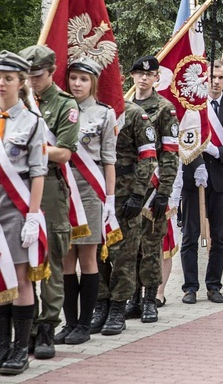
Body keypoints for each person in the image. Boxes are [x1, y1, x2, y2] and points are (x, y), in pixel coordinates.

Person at [18, 45, 79, 360]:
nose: (31, 82)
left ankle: (46, 328)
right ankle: (24, 327)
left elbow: (65, 153)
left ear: (51, 71)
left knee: (52, 257)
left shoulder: (64, 105)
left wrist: (33, 147)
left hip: (51, 188)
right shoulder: (18, 102)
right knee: (20, 257)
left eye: (37, 76)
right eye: (26, 76)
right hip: (17, 186)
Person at [56, 58, 116, 346]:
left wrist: (111, 198)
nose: (77, 84)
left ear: (93, 82)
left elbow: (109, 159)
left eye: (83, 79)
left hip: (91, 187)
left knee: (88, 257)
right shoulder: (58, 109)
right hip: (63, 184)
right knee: (67, 257)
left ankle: (84, 323)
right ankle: (69, 323)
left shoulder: (105, 113)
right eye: (73, 78)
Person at [181, 61, 223, 304]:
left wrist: (218, 151)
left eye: (221, 77)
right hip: (193, 178)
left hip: (221, 179)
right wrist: (197, 161)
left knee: (219, 237)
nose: (217, 81)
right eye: (213, 77)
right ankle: (190, 287)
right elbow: (184, 139)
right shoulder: (191, 104)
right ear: (205, 78)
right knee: (190, 235)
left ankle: (213, 286)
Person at [92, 79, 156, 336]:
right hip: (93, 192)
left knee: (124, 254)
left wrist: (138, 194)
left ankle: (118, 307)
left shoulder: (133, 114)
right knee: (96, 253)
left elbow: (148, 157)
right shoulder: (88, 113)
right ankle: (100, 305)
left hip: (125, 193)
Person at [0, 51, 47, 375]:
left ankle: (20, 348)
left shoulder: (32, 122)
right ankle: (2, 344)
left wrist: (32, 216)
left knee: (19, 277)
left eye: (8, 78)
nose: (2, 84)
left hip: (17, 210)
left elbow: (38, 172)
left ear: (20, 82)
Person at [124, 56, 179, 323]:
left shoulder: (165, 108)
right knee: (129, 246)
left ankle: (149, 300)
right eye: (138, 74)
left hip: (154, 187)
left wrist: (165, 191)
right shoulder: (123, 106)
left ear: (157, 78)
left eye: (149, 74)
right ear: (131, 76)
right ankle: (133, 298)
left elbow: (169, 153)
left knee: (151, 246)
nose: (143, 78)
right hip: (128, 185)